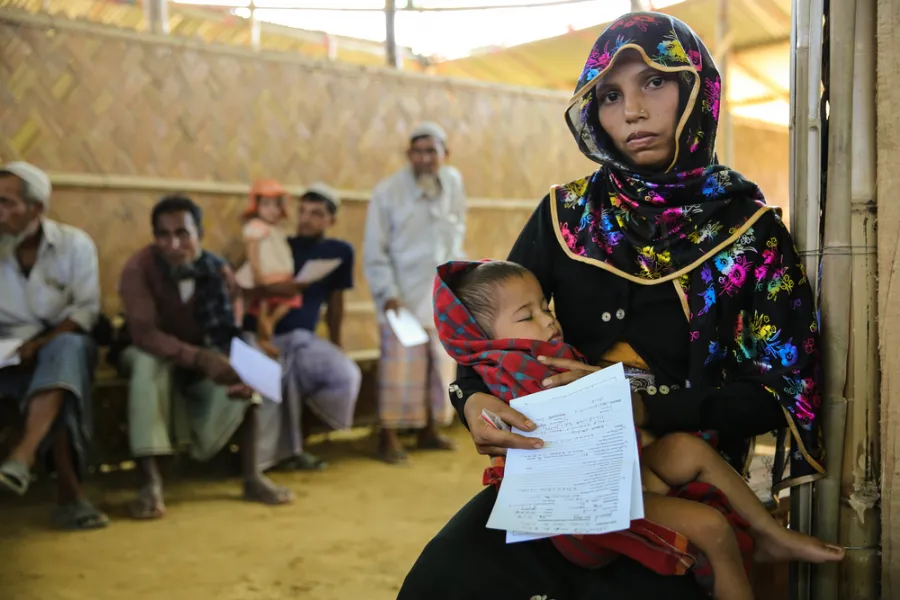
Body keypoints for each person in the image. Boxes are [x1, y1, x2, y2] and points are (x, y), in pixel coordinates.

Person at [399, 13, 829, 600]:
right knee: (441, 579)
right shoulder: (563, 216)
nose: (631, 110)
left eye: (654, 82)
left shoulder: (750, 236)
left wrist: (648, 410)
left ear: (695, 87)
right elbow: (486, 338)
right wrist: (472, 399)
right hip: (553, 478)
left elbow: (779, 394)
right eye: (609, 94)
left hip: (679, 482)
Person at [433, 260, 843, 600]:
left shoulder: (541, 354)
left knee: (689, 450)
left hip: (619, 466)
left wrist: (630, 409)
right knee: (713, 530)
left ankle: (770, 535)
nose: (549, 321)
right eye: (529, 316)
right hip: (580, 509)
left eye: (547, 307)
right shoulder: (526, 368)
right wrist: (467, 396)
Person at [118, 194, 293, 520]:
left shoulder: (217, 271)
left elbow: (227, 332)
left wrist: (237, 366)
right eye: (163, 234)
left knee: (248, 367)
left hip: (203, 352)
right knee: (146, 365)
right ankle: (149, 484)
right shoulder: (138, 269)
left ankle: (252, 476)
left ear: (199, 233)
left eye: (182, 233)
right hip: (148, 352)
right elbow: (145, 335)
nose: (173, 243)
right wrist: (199, 358)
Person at [0, 161, 108, 530]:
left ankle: (24, 455)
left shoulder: (74, 245)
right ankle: (70, 498)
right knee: (55, 389)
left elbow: (86, 310)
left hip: (62, 343)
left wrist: (42, 343)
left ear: (37, 209)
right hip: (8, 354)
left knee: (63, 357)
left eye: (6, 203)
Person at [363, 122, 467, 463]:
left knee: (437, 367)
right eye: (418, 152)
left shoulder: (453, 183)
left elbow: (457, 232)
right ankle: (388, 438)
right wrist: (387, 293)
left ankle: (429, 430)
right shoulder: (387, 192)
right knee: (398, 371)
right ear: (409, 156)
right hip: (401, 297)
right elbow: (375, 251)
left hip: (439, 294)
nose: (425, 159)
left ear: (445, 155)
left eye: (431, 151)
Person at [246, 182, 361, 472]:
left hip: (304, 338)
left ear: (331, 220)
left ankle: (303, 439)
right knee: (278, 377)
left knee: (345, 374)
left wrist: (337, 343)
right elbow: (254, 291)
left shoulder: (340, 251)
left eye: (317, 213)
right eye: (303, 212)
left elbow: (336, 304)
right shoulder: (279, 245)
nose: (307, 218)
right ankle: (277, 457)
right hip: (269, 334)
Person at [235, 179, 302, 358]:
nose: (272, 210)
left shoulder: (277, 230)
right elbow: (253, 252)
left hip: (279, 275)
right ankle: (263, 336)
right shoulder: (255, 228)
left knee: (288, 300)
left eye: (276, 205)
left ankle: (268, 328)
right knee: (262, 304)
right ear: (257, 206)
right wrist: (257, 274)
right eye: (266, 205)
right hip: (263, 276)